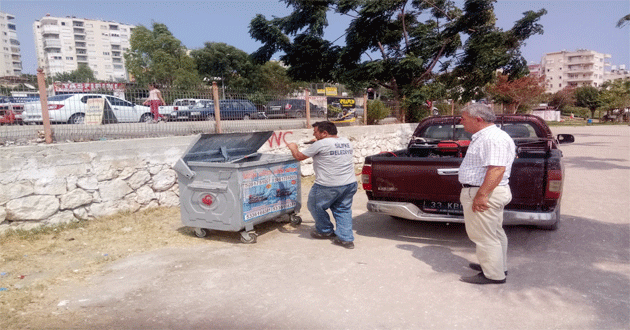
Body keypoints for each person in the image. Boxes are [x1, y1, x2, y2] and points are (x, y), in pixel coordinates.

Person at [458, 103, 516, 285]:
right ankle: (497, 266)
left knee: (484, 236)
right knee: (494, 232)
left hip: (485, 192)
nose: (461, 122)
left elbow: (497, 169)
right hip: (488, 191)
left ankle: (493, 274)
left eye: (464, 118)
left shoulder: (492, 138)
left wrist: (482, 195)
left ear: (478, 119)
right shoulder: (488, 137)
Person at [287, 121, 358, 249]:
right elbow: (330, 147)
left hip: (328, 185)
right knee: (343, 209)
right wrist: (318, 141)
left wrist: (293, 147)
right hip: (349, 183)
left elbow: (299, 156)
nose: (314, 134)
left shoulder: (320, 144)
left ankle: (325, 230)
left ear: (324, 133)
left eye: (315, 132)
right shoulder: (346, 141)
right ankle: (346, 239)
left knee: (314, 206)